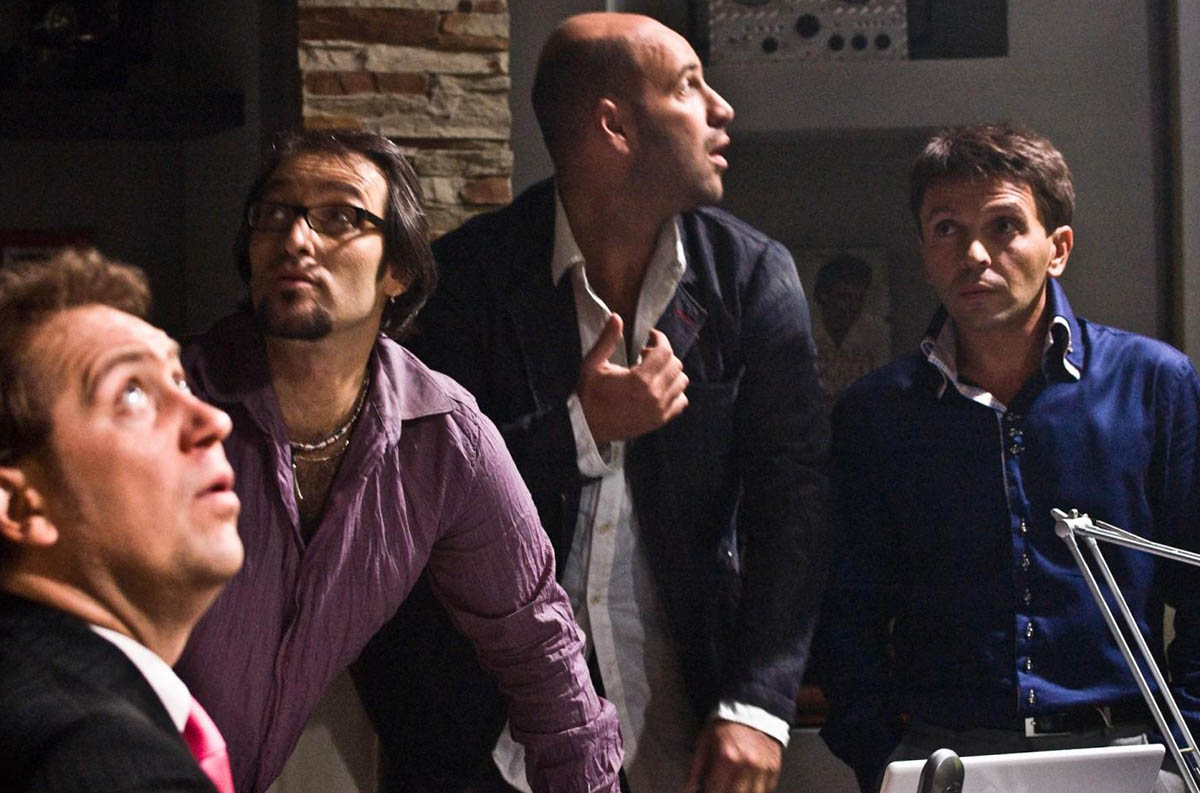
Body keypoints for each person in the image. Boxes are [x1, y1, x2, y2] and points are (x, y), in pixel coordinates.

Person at [368, 12, 830, 793]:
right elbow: (412, 499)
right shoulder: (463, 283)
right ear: (614, 126)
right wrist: (581, 430)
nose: (723, 109)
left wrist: (759, 701)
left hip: (686, 733)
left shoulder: (750, 276)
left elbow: (798, 497)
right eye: (690, 86)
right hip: (490, 748)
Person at [172, 130, 622, 793]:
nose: (295, 238)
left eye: (339, 217)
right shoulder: (167, 404)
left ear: (398, 270)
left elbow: (543, 652)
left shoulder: (443, 437)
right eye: (274, 214)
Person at [815, 122, 1199, 793]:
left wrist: (1185, 756)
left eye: (1003, 226)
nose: (973, 254)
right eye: (947, 229)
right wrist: (881, 757)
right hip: (942, 759)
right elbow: (845, 609)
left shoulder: (1154, 384)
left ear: (1058, 248)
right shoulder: (875, 414)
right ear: (925, 253)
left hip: (1128, 752)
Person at [0, 248, 244, 792]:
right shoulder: (105, 761)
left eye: (180, 381)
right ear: (19, 505)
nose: (214, 420)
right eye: (131, 393)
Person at [811, 254, 891, 404]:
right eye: (844, 297)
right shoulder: (804, 335)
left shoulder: (874, 336)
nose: (853, 307)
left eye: (858, 299)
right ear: (824, 295)